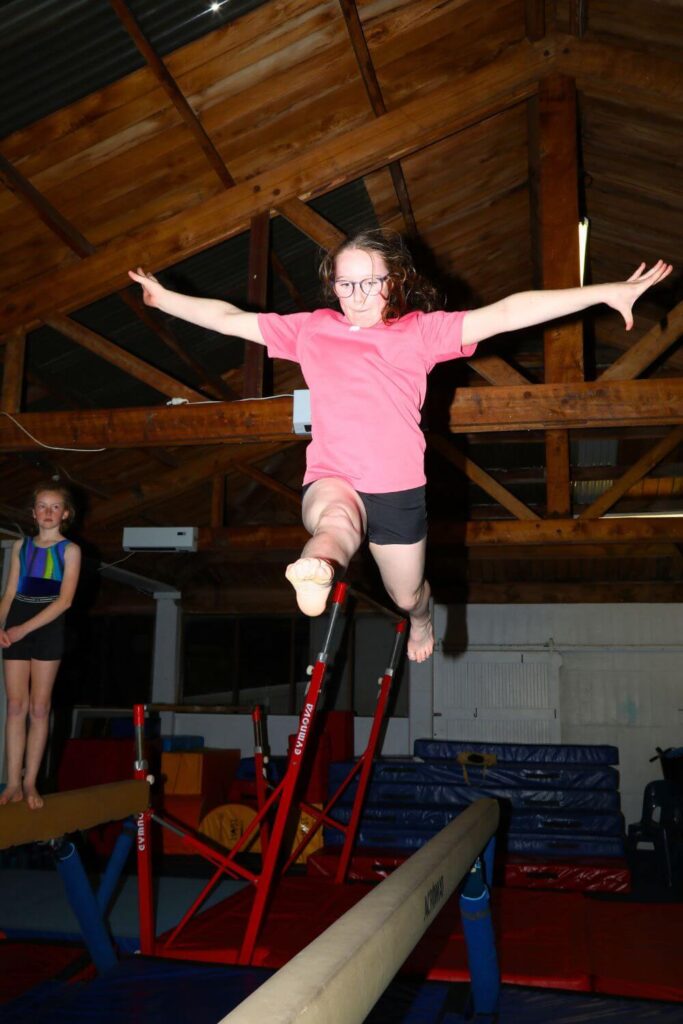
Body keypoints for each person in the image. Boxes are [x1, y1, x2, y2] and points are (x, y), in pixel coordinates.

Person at [129, 231, 671, 662]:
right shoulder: (313, 330)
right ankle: (316, 566)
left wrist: (603, 292)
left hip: (396, 490)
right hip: (333, 470)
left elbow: (506, 312)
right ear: (332, 287)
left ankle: (420, 620)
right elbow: (230, 320)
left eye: (369, 283)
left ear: (396, 281)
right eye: (345, 285)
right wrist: (165, 297)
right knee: (335, 524)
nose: (357, 296)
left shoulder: (421, 333)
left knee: (408, 595)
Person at [0, 484, 81, 809]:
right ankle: (12, 783)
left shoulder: (70, 550)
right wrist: (2, 626)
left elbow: (65, 601)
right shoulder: (21, 547)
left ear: (65, 513)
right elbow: (8, 595)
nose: (48, 512)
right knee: (15, 707)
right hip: (17, 618)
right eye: (42, 506)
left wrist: (22, 630)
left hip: (47, 625)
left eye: (55, 506)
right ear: (33, 513)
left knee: (38, 708)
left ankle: (31, 781)